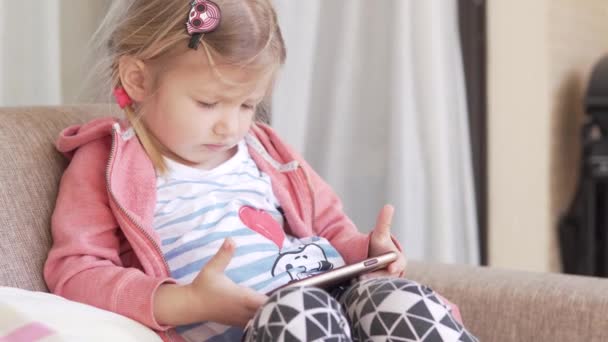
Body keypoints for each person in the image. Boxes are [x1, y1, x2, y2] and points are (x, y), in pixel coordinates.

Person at [44, 0, 478, 341]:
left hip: (334, 297)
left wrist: (369, 253)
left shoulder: (266, 150)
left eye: (248, 105)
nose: (230, 125)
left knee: (394, 300)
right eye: (208, 103)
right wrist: (188, 302)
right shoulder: (107, 162)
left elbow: (330, 230)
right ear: (137, 79)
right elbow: (77, 274)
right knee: (299, 313)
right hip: (270, 324)